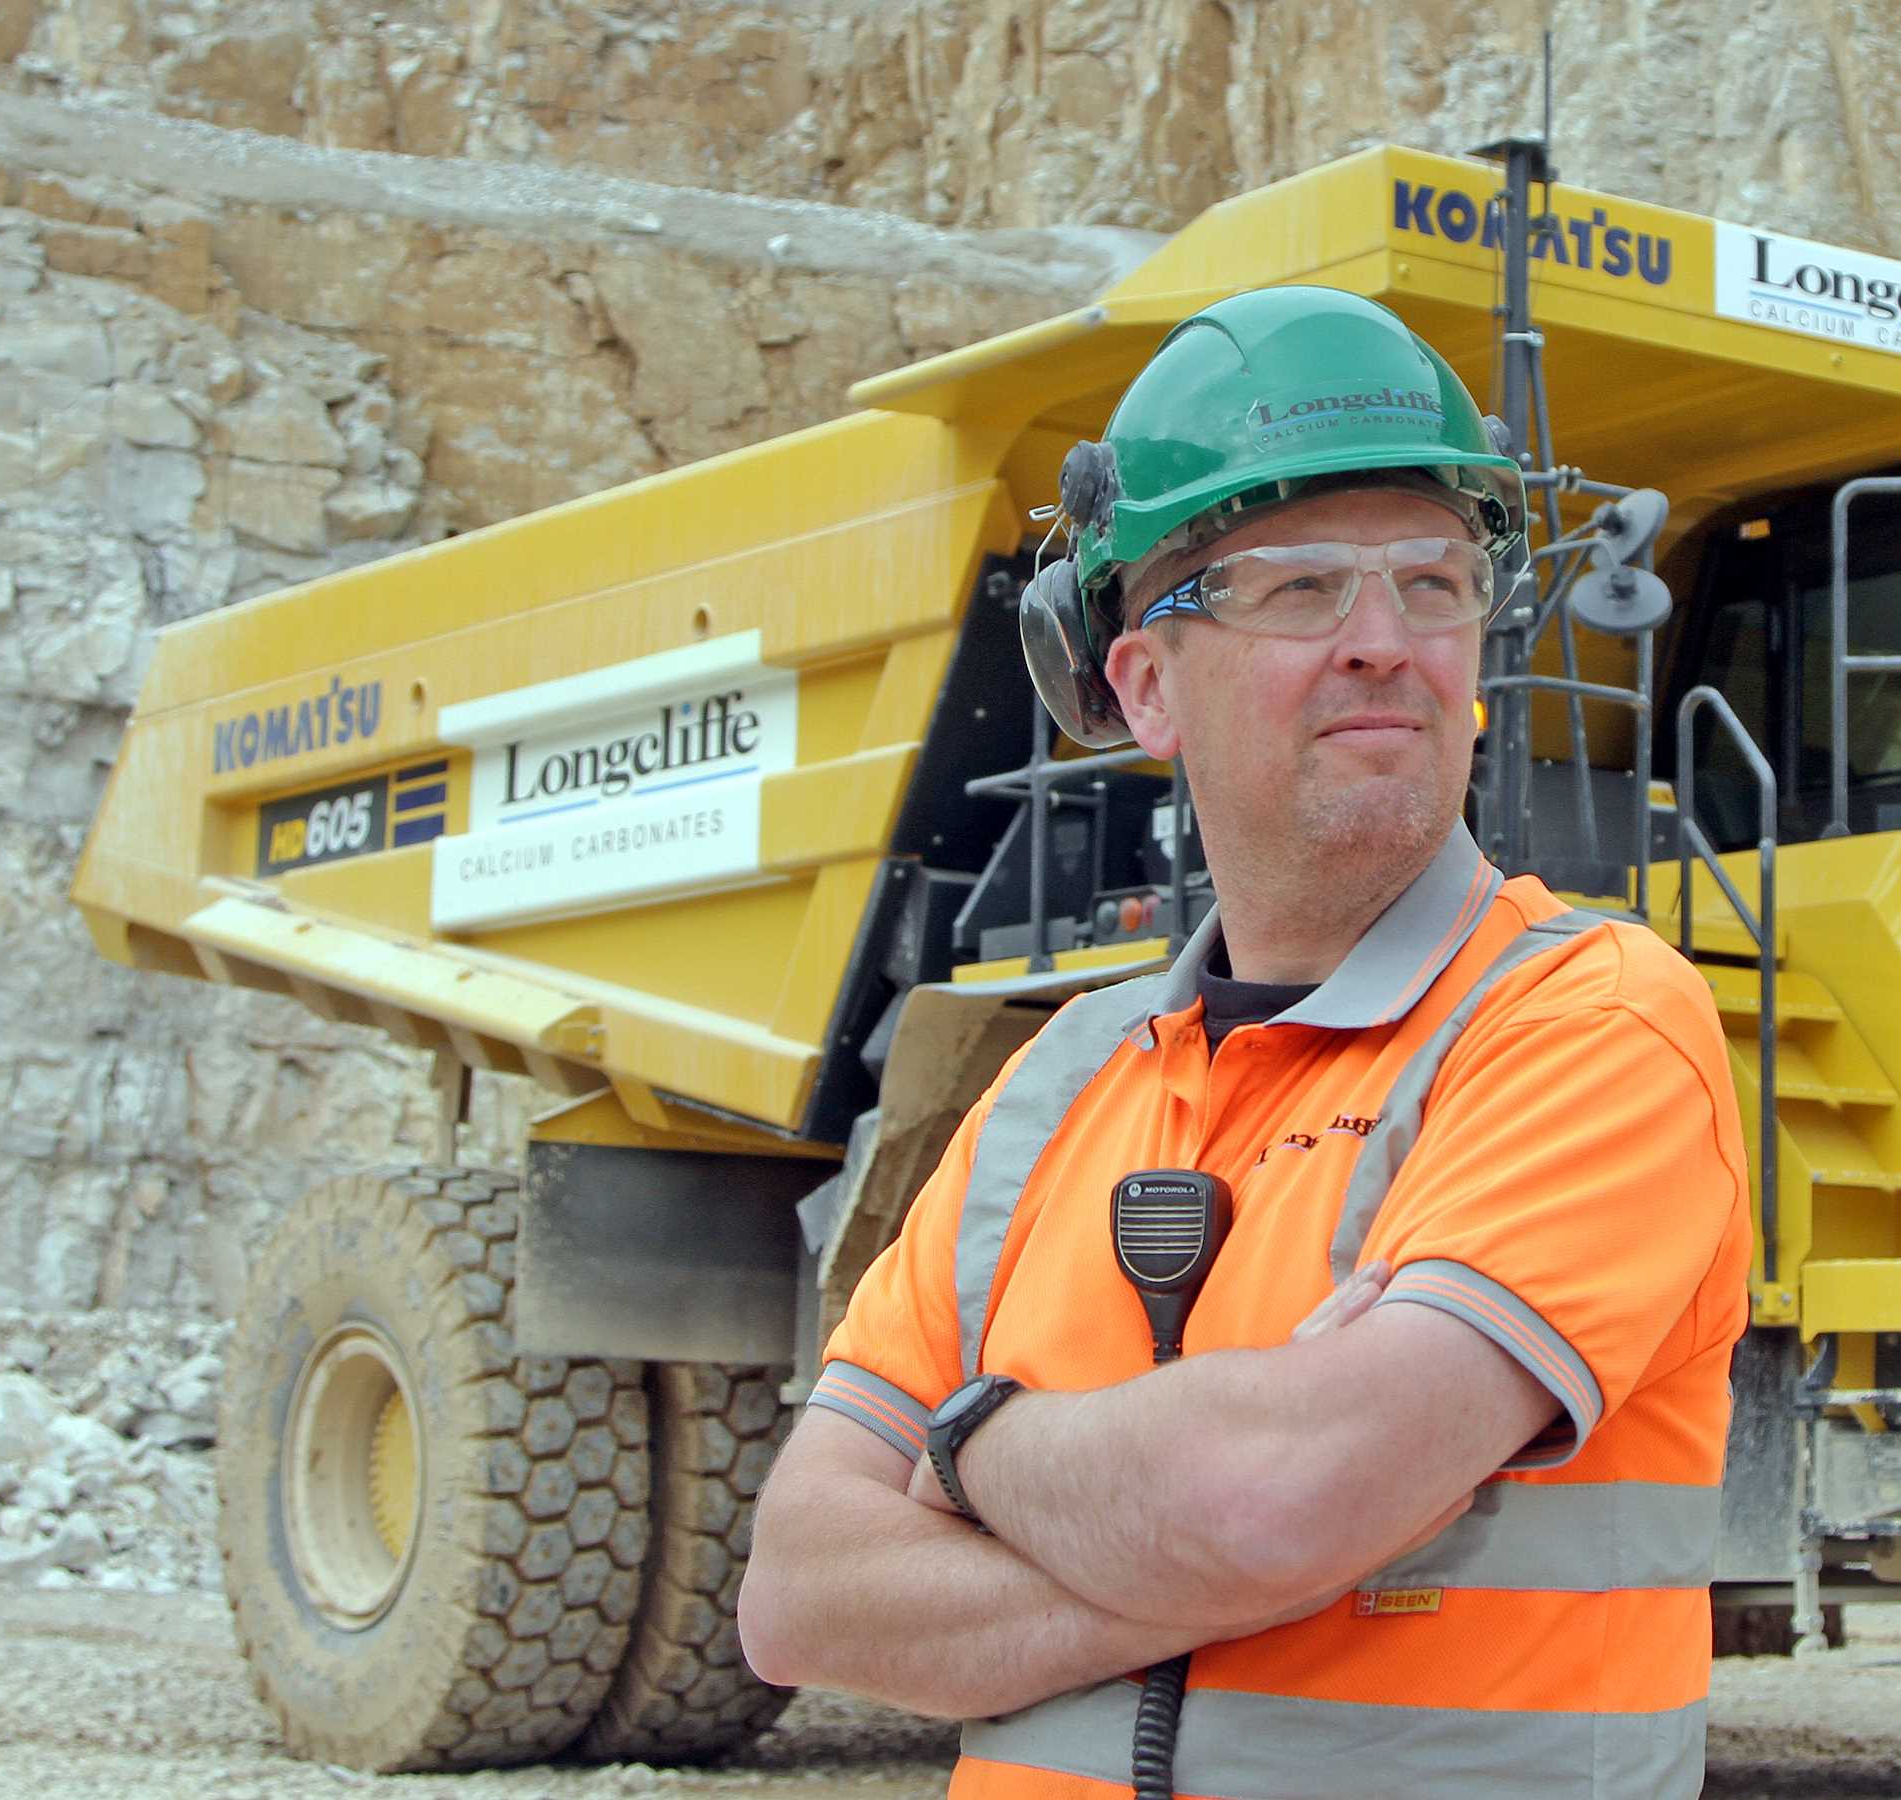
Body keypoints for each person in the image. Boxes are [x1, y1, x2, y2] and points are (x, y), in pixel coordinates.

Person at [739, 286, 1751, 1798]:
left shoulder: (1589, 1024)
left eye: (1433, 582)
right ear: (1144, 680)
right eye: (1297, 591)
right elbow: (801, 1592)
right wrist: (1216, 1525)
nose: (1384, 645)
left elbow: (1271, 1498)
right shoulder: (1054, 1090)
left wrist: (963, 1454)